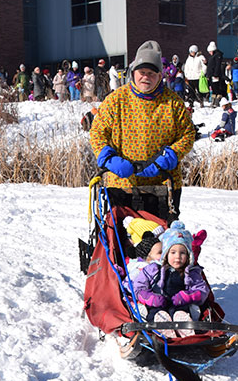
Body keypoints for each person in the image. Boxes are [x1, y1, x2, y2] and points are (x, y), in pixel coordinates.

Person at [90, 40, 196, 220]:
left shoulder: (173, 102)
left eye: (151, 73)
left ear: (160, 75)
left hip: (163, 186)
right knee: (123, 244)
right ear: (133, 73)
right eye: (141, 72)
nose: (145, 77)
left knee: (161, 243)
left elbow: (188, 134)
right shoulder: (115, 100)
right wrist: (108, 158)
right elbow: (98, 132)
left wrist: (170, 156)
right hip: (122, 184)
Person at [131, 220, 210, 336]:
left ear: (188, 256)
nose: (177, 257)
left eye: (182, 253)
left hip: (180, 305)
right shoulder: (153, 269)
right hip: (158, 304)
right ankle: (164, 331)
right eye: (173, 252)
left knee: (181, 312)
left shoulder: (191, 272)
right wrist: (150, 298)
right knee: (157, 313)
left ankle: (185, 330)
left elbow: (202, 291)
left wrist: (187, 296)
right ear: (166, 254)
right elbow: (138, 287)